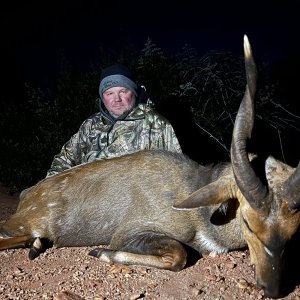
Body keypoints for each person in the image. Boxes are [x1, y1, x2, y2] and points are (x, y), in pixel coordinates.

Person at [46, 63, 182, 177]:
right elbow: (64, 159)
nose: (117, 99)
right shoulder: (90, 125)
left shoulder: (155, 124)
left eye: (123, 91)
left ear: (134, 93)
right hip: (89, 202)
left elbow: (177, 173)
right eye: (109, 93)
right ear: (102, 97)